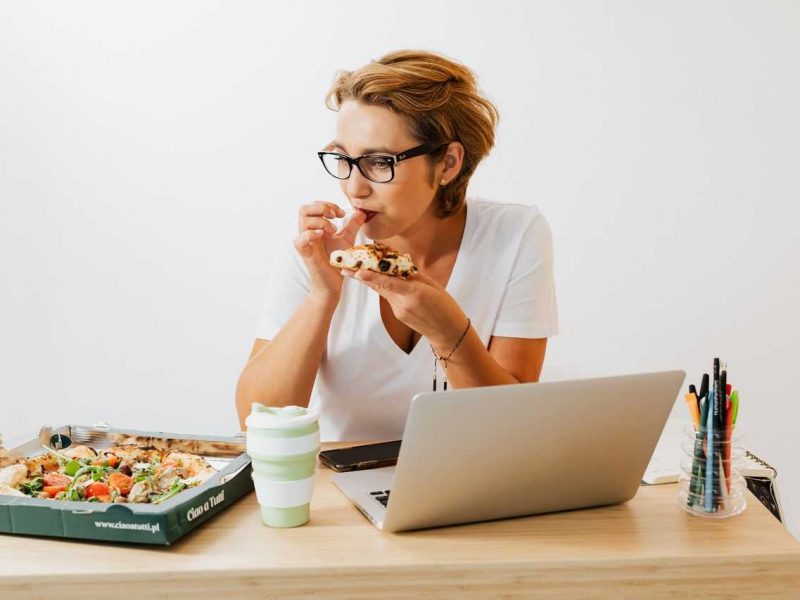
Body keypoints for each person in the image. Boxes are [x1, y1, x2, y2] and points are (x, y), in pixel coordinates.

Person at [236, 50, 558, 441]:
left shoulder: (514, 234)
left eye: (379, 162)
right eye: (343, 159)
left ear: (448, 164)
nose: (354, 188)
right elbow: (256, 422)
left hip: (468, 485)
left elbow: (514, 431)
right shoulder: (318, 244)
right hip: (338, 487)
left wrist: (449, 332)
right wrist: (323, 296)